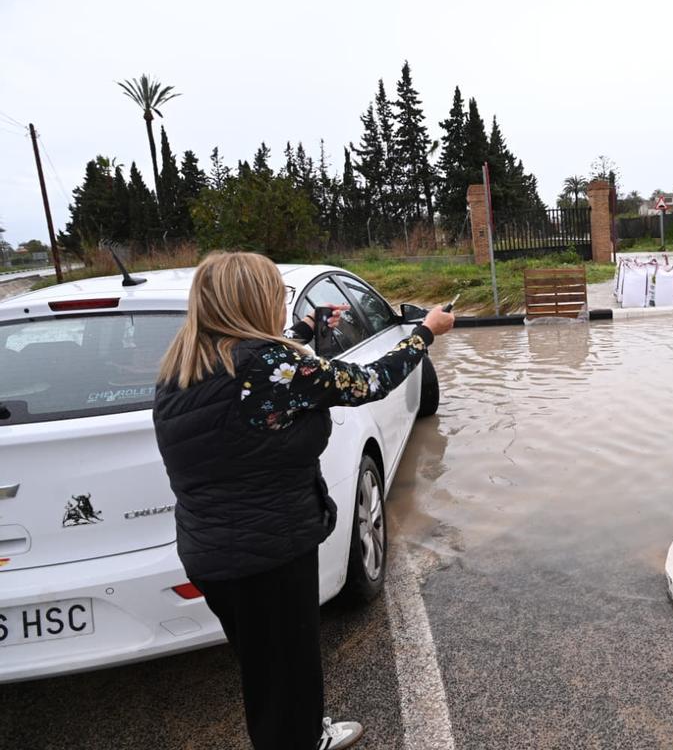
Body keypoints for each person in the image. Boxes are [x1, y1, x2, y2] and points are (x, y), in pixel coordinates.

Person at [152, 251, 454, 749]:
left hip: (212, 552)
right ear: (254, 302)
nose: (279, 304)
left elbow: (264, 383)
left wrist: (307, 332)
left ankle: (299, 734)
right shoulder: (270, 365)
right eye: (275, 295)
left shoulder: (184, 365)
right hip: (268, 552)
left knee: (264, 671)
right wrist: (424, 333)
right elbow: (369, 382)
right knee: (290, 670)